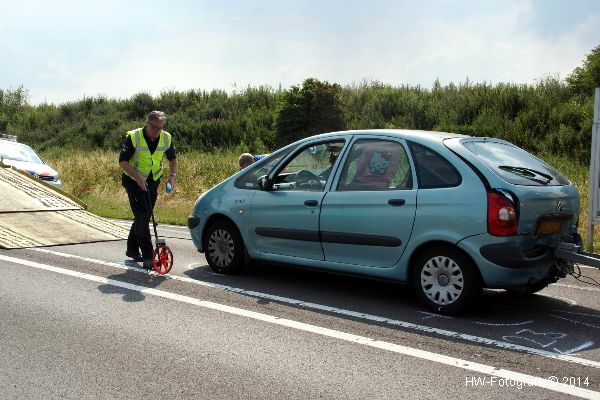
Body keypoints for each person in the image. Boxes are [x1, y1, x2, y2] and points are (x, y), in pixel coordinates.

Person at [119, 110, 177, 268]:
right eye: (154, 128)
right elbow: (123, 162)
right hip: (133, 181)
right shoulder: (133, 136)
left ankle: (131, 249)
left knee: (143, 215)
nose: (157, 131)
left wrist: (172, 175)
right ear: (147, 123)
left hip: (153, 181)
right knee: (143, 214)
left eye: (160, 128)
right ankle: (148, 255)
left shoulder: (166, 137)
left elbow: (172, 158)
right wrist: (138, 178)